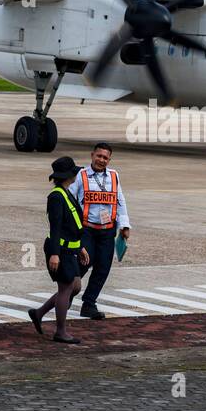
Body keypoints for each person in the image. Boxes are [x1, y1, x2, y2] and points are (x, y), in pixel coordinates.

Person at [66, 141, 131, 320]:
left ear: (109, 160)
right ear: (92, 155)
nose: (101, 160)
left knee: (103, 267)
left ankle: (89, 303)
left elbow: (120, 201)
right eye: (99, 156)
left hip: (107, 231)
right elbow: (70, 198)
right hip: (86, 229)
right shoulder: (81, 175)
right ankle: (68, 294)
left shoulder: (114, 176)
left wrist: (124, 226)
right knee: (84, 262)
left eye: (105, 158)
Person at [29, 156, 90, 344]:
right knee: (66, 288)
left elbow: (71, 225)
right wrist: (54, 254)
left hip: (70, 249)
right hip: (60, 250)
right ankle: (60, 332)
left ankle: (38, 313)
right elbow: (55, 228)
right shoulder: (56, 196)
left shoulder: (66, 192)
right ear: (67, 176)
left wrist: (80, 247)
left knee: (75, 286)